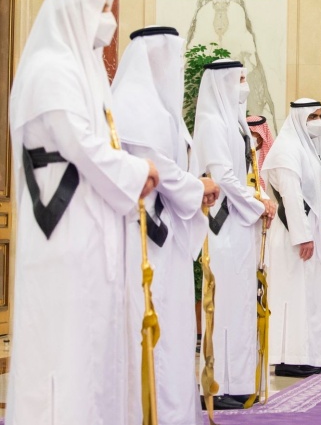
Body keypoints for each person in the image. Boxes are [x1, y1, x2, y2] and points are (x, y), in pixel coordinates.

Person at [6, 0, 159, 425]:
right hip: (63, 232)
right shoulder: (50, 70)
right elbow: (83, 147)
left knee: (93, 344)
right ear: (74, 11)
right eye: (102, 9)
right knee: (65, 347)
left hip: (90, 230)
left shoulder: (84, 69)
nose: (109, 21)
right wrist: (139, 172)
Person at [112, 25, 220, 425]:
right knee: (154, 332)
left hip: (168, 238)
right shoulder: (132, 104)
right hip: (143, 240)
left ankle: (173, 413)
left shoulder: (162, 110)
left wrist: (198, 189)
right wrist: (199, 186)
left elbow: (176, 171)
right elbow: (163, 172)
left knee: (174, 335)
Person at [194, 59, 272, 409]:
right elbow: (223, 176)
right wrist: (258, 203)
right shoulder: (211, 122)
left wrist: (262, 200)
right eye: (239, 79)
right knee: (222, 306)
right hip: (223, 225)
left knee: (241, 304)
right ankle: (216, 384)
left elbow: (249, 173)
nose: (244, 85)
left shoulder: (237, 123)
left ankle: (239, 382)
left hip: (243, 225)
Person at [262, 99, 321, 377]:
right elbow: (291, 198)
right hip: (291, 237)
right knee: (292, 296)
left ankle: (307, 355)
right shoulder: (286, 150)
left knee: (308, 297)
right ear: (299, 118)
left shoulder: (310, 151)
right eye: (313, 116)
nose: (318, 121)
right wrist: (303, 237)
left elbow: (317, 199)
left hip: (311, 233)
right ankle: (288, 358)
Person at [246, 115, 274, 190]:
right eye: (248, 131)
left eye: (253, 132)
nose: (250, 135)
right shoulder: (243, 152)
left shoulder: (270, 154)